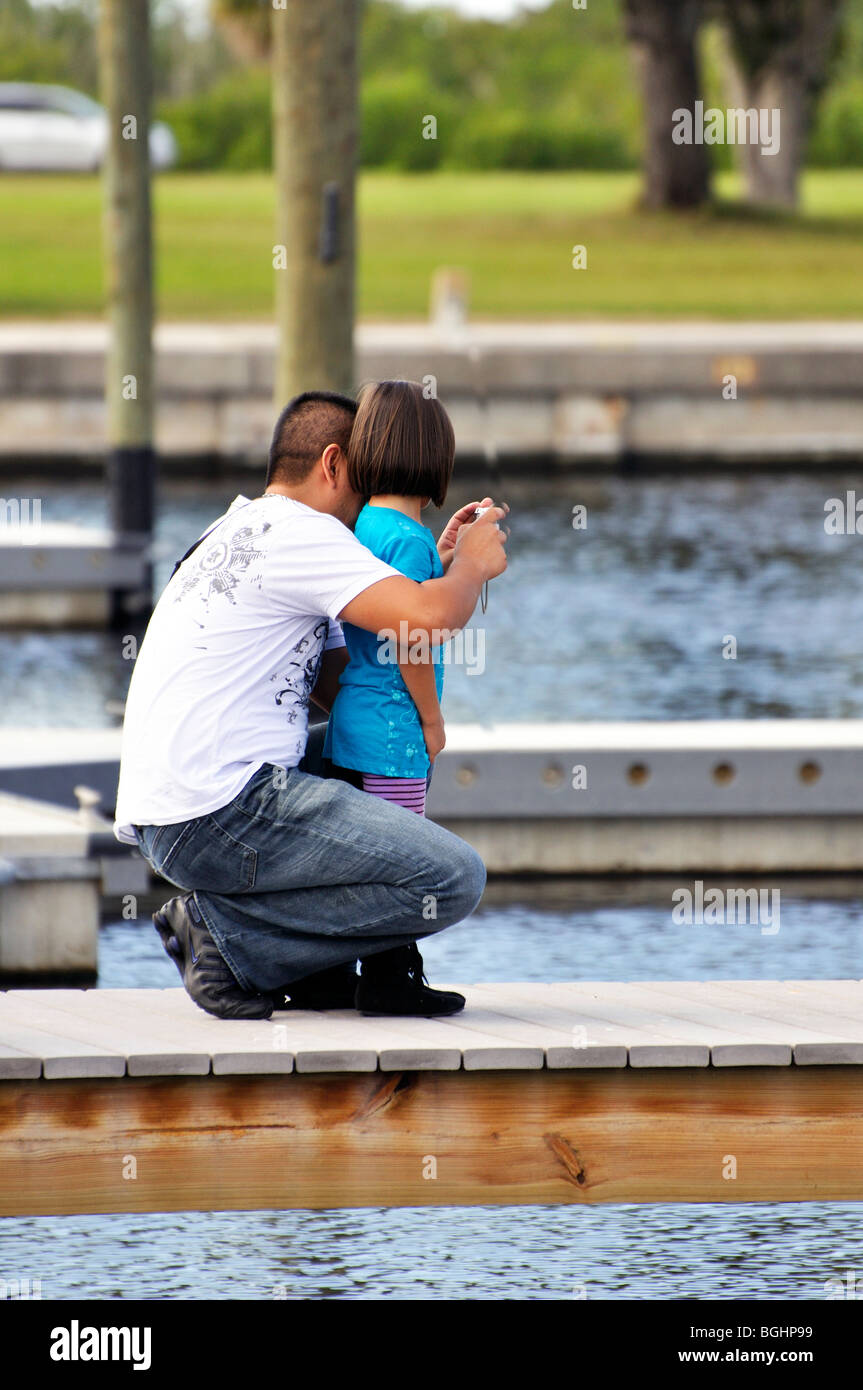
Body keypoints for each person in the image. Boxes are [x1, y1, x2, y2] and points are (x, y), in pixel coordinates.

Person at [114, 389, 508, 1022]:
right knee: (452, 879)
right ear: (333, 467)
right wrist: (472, 573)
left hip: (172, 811)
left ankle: (310, 966)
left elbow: (346, 679)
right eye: (366, 480)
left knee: (373, 750)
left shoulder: (239, 526)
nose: (370, 504)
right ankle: (222, 938)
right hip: (223, 810)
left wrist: (435, 562)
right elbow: (426, 623)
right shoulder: (304, 533)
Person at [324, 379, 468, 819]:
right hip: (394, 733)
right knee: (398, 871)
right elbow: (411, 638)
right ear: (434, 458)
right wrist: (432, 721)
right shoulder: (407, 540)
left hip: (355, 724)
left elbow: (395, 594)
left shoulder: (366, 524)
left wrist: (440, 559)